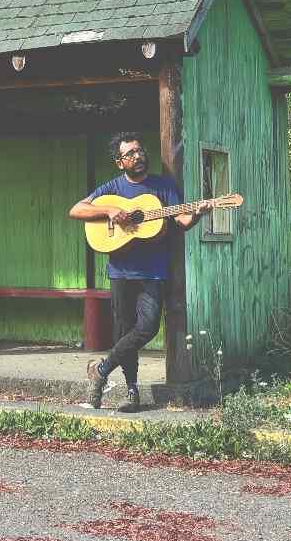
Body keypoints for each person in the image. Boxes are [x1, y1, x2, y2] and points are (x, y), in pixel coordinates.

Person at [68, 132, 213, 412]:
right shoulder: (113, 188)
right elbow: (76, 209)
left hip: (152, 273)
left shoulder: (163, 186)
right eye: (130, 154)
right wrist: (110, 210)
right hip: (121, 272)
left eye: (140, 151)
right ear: (120, 162)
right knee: (124, 330)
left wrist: (199, 212)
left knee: (147, 328)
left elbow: (183, 221)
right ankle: (131, 390)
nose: (138, 156)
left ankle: (101, 369)